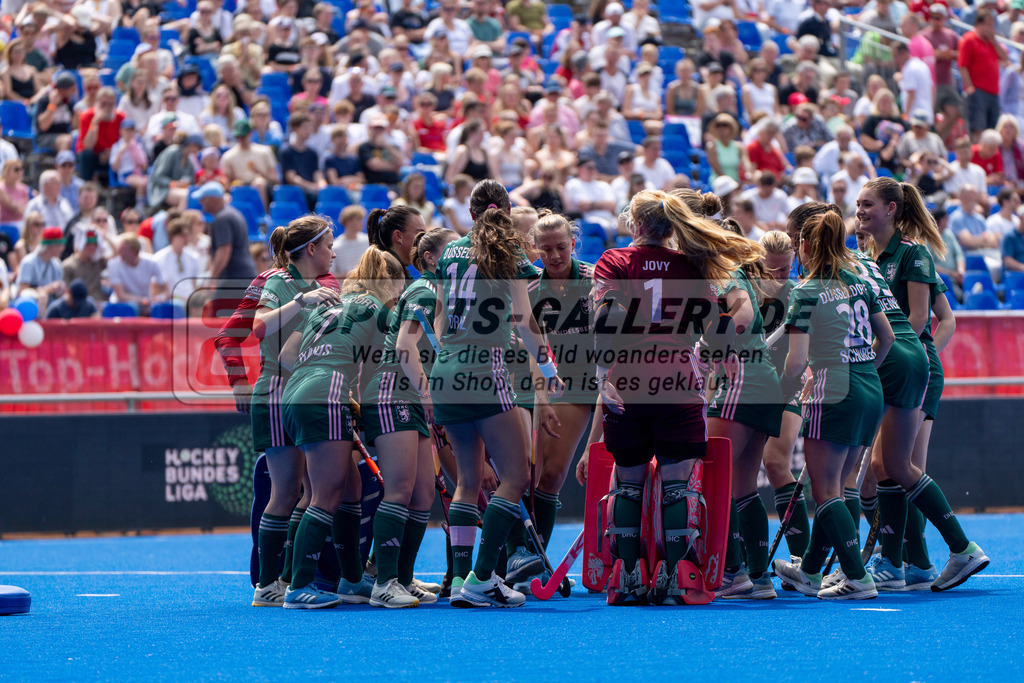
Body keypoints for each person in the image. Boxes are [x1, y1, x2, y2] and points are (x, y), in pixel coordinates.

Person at [583, 189, 763, 604]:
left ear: (637, 224)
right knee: (677, 485)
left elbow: (607, 316)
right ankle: (673, 574)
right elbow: (716, 325)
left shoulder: (614, 260)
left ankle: (628, 576)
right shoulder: (691, 265)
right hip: (679, 383)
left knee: (627, 483)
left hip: (628, 382)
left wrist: (601, 371)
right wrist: (723, 357)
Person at [850, 179, 990, 591]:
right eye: (857, 204)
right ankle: (913, 562)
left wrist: (920, 358)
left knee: (897, 467)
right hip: (895, 363)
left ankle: (912, 559)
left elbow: (917, 321)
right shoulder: (868, 256)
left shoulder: (911, 254)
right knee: (885, 468)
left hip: (906, 363)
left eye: (867, 204)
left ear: (892, 209)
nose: (859, 211)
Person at [431, 179, 564, 608]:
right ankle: (482, 577)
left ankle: (458, 580)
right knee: (515, 477)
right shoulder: (506, 253)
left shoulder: (449, 251)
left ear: (470, 214)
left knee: (467, 481)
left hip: (445, 370)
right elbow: (525, 322)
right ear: (506, 213)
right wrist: (547, 368)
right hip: (484, 369)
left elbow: (437, 318)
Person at [771, 202, 893, 601]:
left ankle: (856, 576)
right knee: (836, 485)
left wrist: (782, 389)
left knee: (825, 490)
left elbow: (798, 360)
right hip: (869, 385)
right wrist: (861, 370)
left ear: (804, 244)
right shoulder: (858, 280)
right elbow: (887, 338)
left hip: (833, 389)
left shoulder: (806, 291)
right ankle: (809, 570)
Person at [250, 216, 347, 609]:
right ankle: (269, 584)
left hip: (297, 393)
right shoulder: (280, 282)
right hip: (275, 391)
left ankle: (290, 580)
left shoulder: (320, 287)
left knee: (307, 492)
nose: (333, 252)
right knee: (286, 491)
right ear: (310, 249)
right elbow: (257, 328)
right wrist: (298, 302)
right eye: (328, 245)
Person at [361, 227, 457, 607]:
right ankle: (384, 584)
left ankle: (402, 578)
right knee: (400, 490)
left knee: (421, 496)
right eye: (453, 251)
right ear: (431, 258)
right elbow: (404, 345)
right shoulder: (424, 289)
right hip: (392, 392)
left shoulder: (445, 294)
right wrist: (427, 393)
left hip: (411, 398)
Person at [756, 229, 811, 564]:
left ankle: (802, 560)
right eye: (773, 270)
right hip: (746, 389)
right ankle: (745, 561)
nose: (780, 277)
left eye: (786, 269)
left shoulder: (797, 294)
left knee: (776, 463)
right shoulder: (743, 293)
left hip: (786, 386)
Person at [197, 182, 257, 311]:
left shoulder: (222, 218)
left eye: (203, 200)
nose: (201, 203)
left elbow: (224, 250)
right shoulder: (233, 214)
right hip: (244, 278)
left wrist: (212, 279)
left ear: (212, 200)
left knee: (220, 317)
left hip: (234, 280)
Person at [958, 9, 1008, 140]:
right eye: (989, 24)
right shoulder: (969, 40)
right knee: (978, 130)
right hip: (977, 92)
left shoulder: (991, 42)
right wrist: (970, 89)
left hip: (993, 93)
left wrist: (994, 40)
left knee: (992, 131)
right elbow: (963, 66)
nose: (992, 28)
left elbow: (1004, 57)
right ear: (979, 24)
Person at [107, 233, 168, 315]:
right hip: (122, 307)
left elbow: (166, 290)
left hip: (146, 305)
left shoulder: (151, 262)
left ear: (134, 251)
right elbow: (120, 295)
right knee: (131, 307)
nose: (119, 252)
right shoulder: (113, 264)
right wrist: (143, 300)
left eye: (123, 249)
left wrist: (160, 298)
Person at [76, 86, 126, 182]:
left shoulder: (120, 117)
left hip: (112, 154)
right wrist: (95, 122)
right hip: (93, 154)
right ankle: (86, 186)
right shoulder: (87, 116)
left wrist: (112, 153)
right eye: (103, 104)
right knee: (87, 155)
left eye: (110, 104)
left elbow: (125, 141)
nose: (107, 107)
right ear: (97, 102)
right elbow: (87, 146)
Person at [154, 217, 202, 304]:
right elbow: (158, 287)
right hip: (171, 302)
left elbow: (195, 284)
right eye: (183, 235)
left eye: (187, 235)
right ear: (173, 236)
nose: (186, 238)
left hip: (191, 302)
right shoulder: (159, 258)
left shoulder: (194, 257)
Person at [16, 226, 65, 306]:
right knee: (43, 297)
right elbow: (22, 291)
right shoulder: (28, 262)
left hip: (52, 304)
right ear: (51, 245)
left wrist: (59, 291)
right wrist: (47, 289)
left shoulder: (57, 264)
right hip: (30, 305)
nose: (62, 249)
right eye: (59, 245)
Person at [62, 229, 106, 302]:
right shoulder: (68, 265)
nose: (92, 247)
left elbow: (117, 254)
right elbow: (65, 293)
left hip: (99, 304)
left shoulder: (98, 262)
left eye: (95, 244)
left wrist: (104, 235)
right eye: (88, 244)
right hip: (80, 307)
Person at [331, 206, 370, 280]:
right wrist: (351, 274)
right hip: (345, 289)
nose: (362, 222)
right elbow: (330, 275)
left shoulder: (367, 241)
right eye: (358, 219)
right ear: (348, 221)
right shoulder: (336, 246)